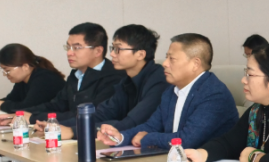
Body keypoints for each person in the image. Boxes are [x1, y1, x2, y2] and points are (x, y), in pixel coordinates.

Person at [99, 34, 237, 150]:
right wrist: (120, 137)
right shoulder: (171, 90)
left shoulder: (213, 94)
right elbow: (151, 126)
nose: (165, 63)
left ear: (195, 64)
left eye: (172, 59)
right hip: (176, 160)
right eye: (166, 57)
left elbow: (187, 140)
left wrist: (147, 138)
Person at [38, 25, 167, 141]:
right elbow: (102, 114)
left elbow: (131, 123)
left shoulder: (159, 80)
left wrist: (73, 132)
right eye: (112, 48)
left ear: (140, 54)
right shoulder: (126, 82)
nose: (112, 54)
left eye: (118, 49)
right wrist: (57, 126)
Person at [0, 23, 125, 126]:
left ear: (98, 51)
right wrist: (20, 115)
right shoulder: (76, 75)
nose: (69, 53)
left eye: (77, 48)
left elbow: (88, 115)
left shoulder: (114, 78)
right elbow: (56, 105)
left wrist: (33, 118)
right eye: (68, 47)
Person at [0, 44, 65, 113]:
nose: (4, 74)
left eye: (7, 70)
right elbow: (12, 100)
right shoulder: (23, 80)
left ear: (25, 66)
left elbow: (26, 108)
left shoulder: (44, 79)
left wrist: (2, 105)